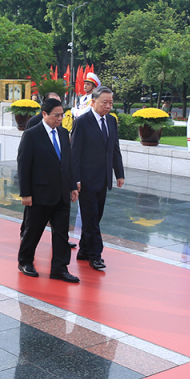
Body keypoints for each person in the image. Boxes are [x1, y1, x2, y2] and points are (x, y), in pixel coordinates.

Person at [17, 98, 79, 283]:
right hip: (39, 194)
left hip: (61, 193)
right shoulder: (31, 135)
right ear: (44, 114)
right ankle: (25, 261)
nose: (60, 118)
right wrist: (25, 193)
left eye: (62, 115)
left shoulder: (63, 133)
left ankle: (60, 268)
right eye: (56, 115)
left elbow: (67, 162)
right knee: (33, 230)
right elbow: (24, 165)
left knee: (61, 233)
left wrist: (72, 186)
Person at [70, 86, 124, 271]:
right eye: (104, 102)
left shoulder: (111, 121)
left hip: (103, 179)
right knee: (91, 217)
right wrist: (75, 180)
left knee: (95, 217)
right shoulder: (82, 122)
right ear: (93, 102)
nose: (108, 106)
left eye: (111, 102)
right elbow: (74, 153)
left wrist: (119, 173)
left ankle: (84, 249)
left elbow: (114, 148)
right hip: (85, 180)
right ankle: (95, 255)